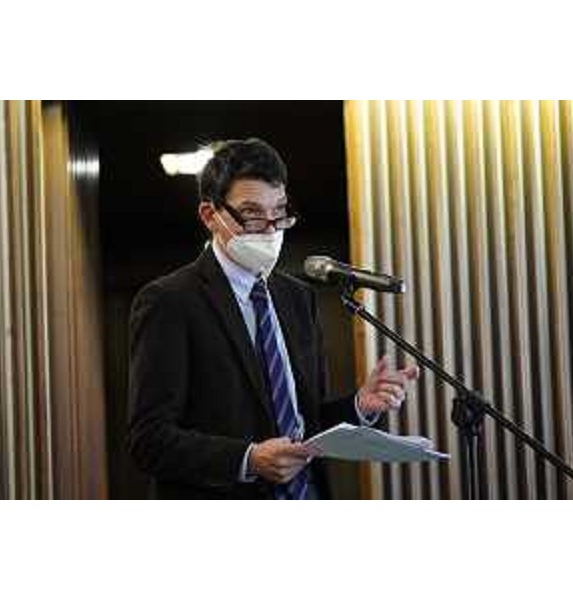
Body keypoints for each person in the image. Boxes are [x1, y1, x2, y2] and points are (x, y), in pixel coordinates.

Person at [127, 138, 420, 499]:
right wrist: (248, 459)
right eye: (252, 214)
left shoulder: (298, 298)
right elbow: (148, 439)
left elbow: (306, 423)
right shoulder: (170, 301)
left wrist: (359, 405)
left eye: (279, 213)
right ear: (210, 215)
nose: (269, 230)